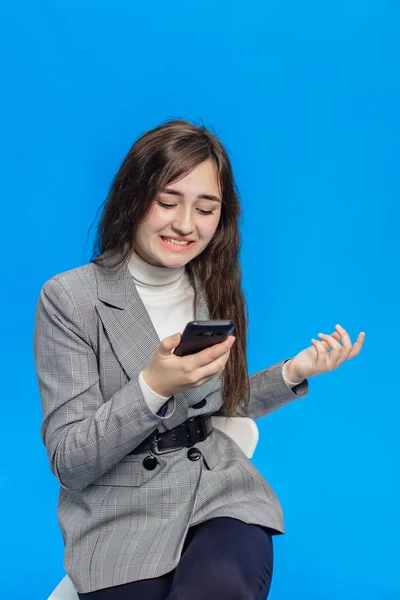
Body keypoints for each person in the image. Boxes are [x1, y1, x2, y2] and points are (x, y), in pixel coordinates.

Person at [34, 119, 365, 600]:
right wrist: (152, 387)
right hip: (118, 515)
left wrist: (294, 373)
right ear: (132, 197)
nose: (186, 224)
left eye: (205, 208)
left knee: (219, 589)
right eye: (167, 202)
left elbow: (210, 407)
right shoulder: (70, 298)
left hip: (216, 495)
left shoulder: (213, 286)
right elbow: (71, 461)